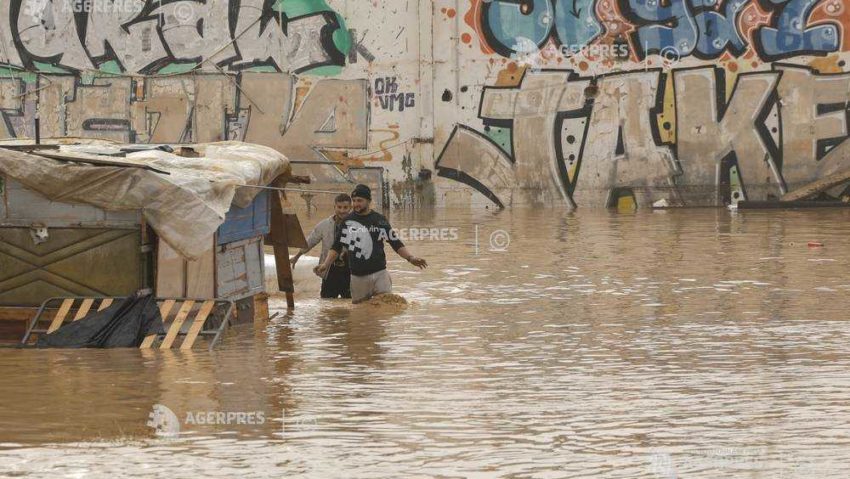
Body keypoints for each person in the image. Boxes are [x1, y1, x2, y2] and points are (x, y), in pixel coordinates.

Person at [315, 184, 427, 303]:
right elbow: (336, 247)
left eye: (360, 200)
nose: (356, 204)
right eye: (354, 201)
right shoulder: (347, 222)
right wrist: (325, 265)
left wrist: (410, 258)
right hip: (357, 277)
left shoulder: (379, 220)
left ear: (368, 201)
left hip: (380, 274)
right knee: (360, 314)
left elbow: (395, 243)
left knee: (386, 308)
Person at [291, 194, 352, 299]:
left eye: (345, 207)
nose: (342, 210)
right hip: (329, 269)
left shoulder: (356, 225)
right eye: (339, 207)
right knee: (326, 304)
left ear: (350, 208)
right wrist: (297, 256)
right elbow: (310, 242)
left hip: (350, 270)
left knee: (351, 303)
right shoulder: (324, 225)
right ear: (334, 207)